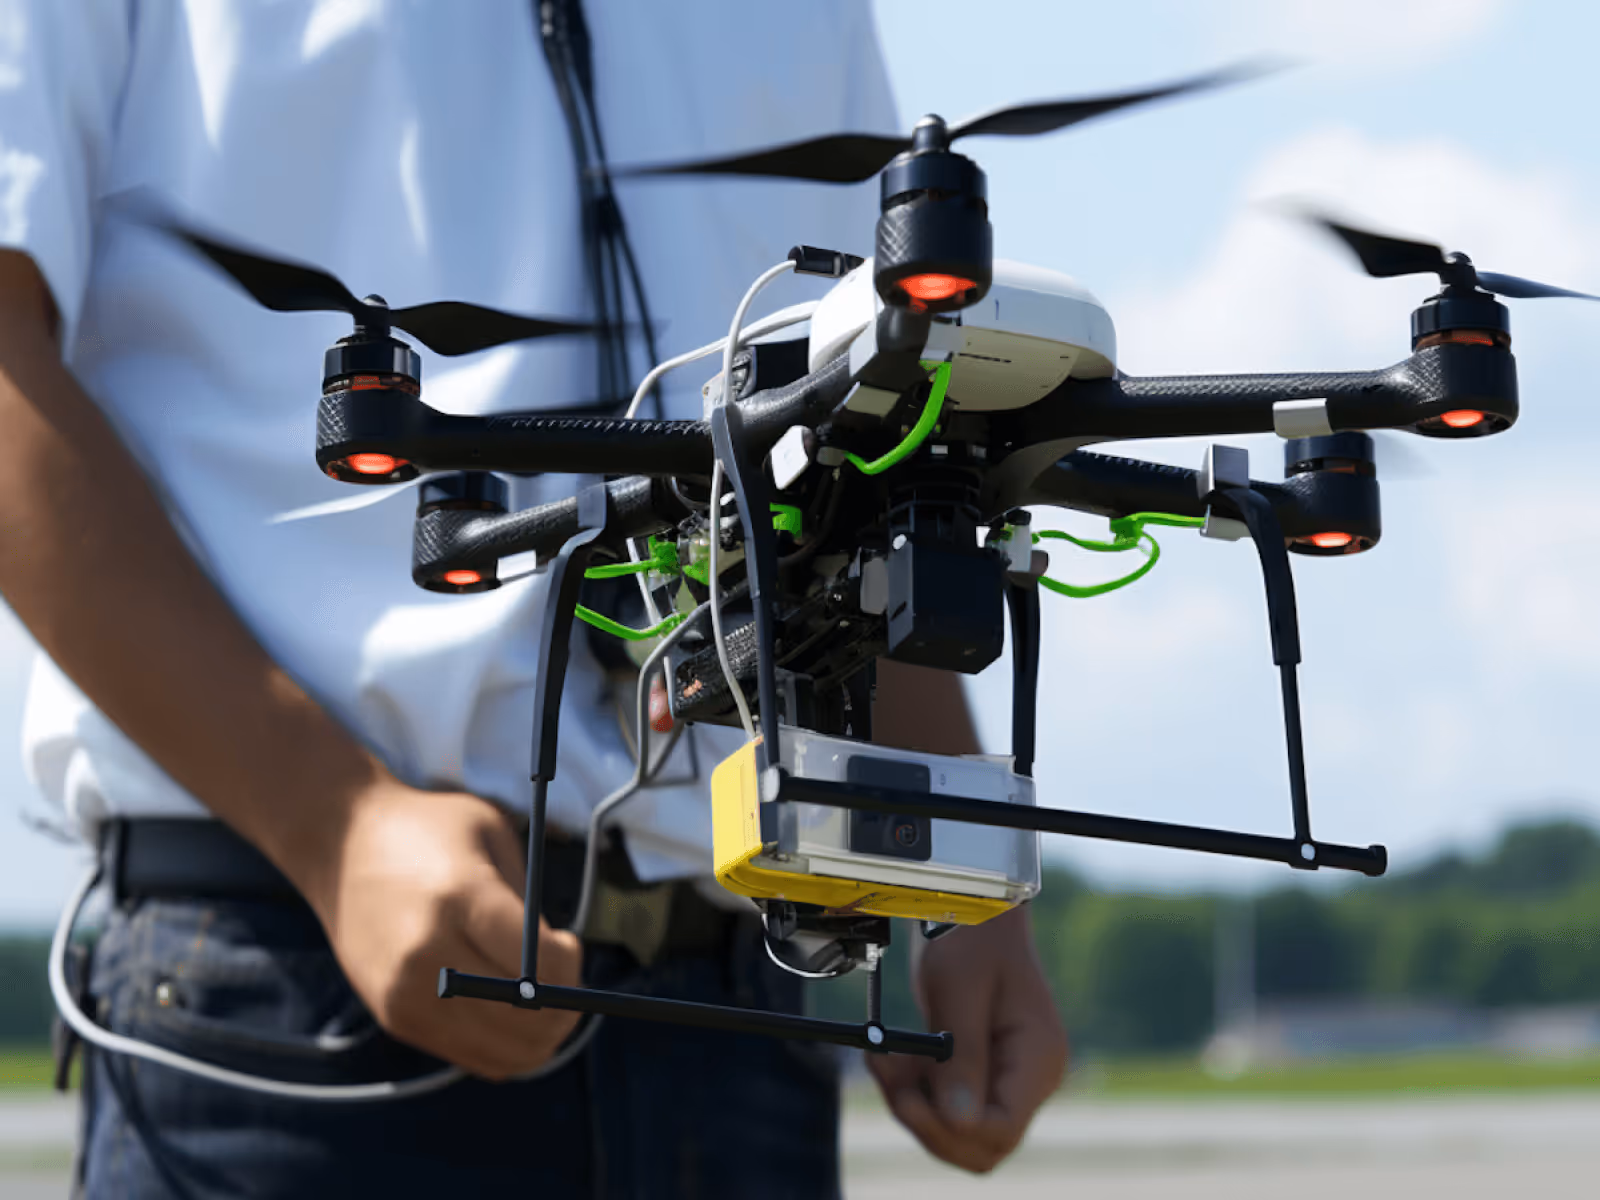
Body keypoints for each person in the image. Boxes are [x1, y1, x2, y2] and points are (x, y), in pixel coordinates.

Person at [0, 2, 1067, 1196]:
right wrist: (329, 820)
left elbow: (875, 417)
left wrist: (959, 877)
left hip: (741, 1003)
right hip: (287, 979)